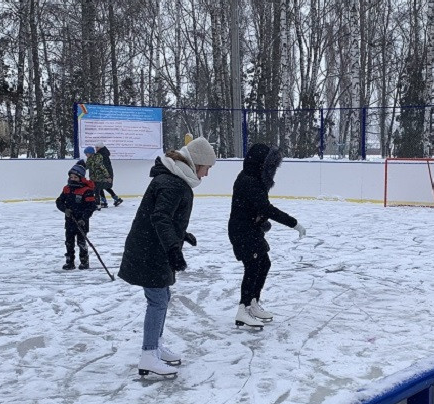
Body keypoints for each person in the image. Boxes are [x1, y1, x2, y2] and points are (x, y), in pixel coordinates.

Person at [117, 136, 217, 378]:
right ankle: (149, 354)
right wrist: (173, 248)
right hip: (151, 251)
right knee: (158, 300)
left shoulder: (173, 179)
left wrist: (182, 235)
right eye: (206, 168)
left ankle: (156, 347)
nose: (206, 175)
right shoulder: (173, 183)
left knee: (162, 296)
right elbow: (160, 217)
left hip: (151, 247)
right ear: (196, 163)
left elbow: (165, 217)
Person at [228, 143, 305, 329]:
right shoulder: (249, 181)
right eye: (270, 166)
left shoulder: (255, 179)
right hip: (242, 231)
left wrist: (261, 222)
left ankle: (253, 303)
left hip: (251, 229)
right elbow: (266, 208)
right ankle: (243, 309)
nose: (272, 171)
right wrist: (293, 223)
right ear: (261, 164)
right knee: (253, 266)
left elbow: (255, 208)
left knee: (264, 264)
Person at [55, 161, 98, 270]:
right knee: (69, 242)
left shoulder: (86, 190)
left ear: (81, 178)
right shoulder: (67, 189)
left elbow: (91, 206)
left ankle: (84, 261)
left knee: (81, 242)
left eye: (75, 177)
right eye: (71, 177)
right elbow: (59, 201)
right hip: (70, 221)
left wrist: (84, 218)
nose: (73, 179)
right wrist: (65, 210)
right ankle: (70, 261)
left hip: (81, 222)